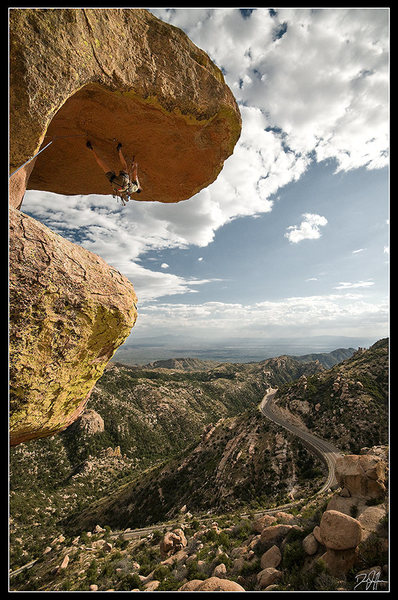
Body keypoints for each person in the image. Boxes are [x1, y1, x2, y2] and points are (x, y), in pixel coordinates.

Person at [86, 140, 141, 204]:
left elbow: (135, 175)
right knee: (104, 166)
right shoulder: (126, 192)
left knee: (124, 166)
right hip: (116, 185)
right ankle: (91, 149)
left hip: (124, 182)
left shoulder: (136, 187)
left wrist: (135, 165)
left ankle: (119, 150)